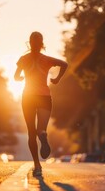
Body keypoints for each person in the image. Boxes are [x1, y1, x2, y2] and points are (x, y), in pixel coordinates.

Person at [14, 31, 68, 177]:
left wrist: (20, 78)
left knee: (31, 133)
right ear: (42, 44)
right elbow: (64, 64)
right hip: (44, 97)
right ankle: (43, 135)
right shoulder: (47, 59)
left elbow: (16, 76)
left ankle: (37, 166)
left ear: (29, 43)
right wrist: (57, 79)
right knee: (40, 130)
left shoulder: (24, 59)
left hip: (28, 97)